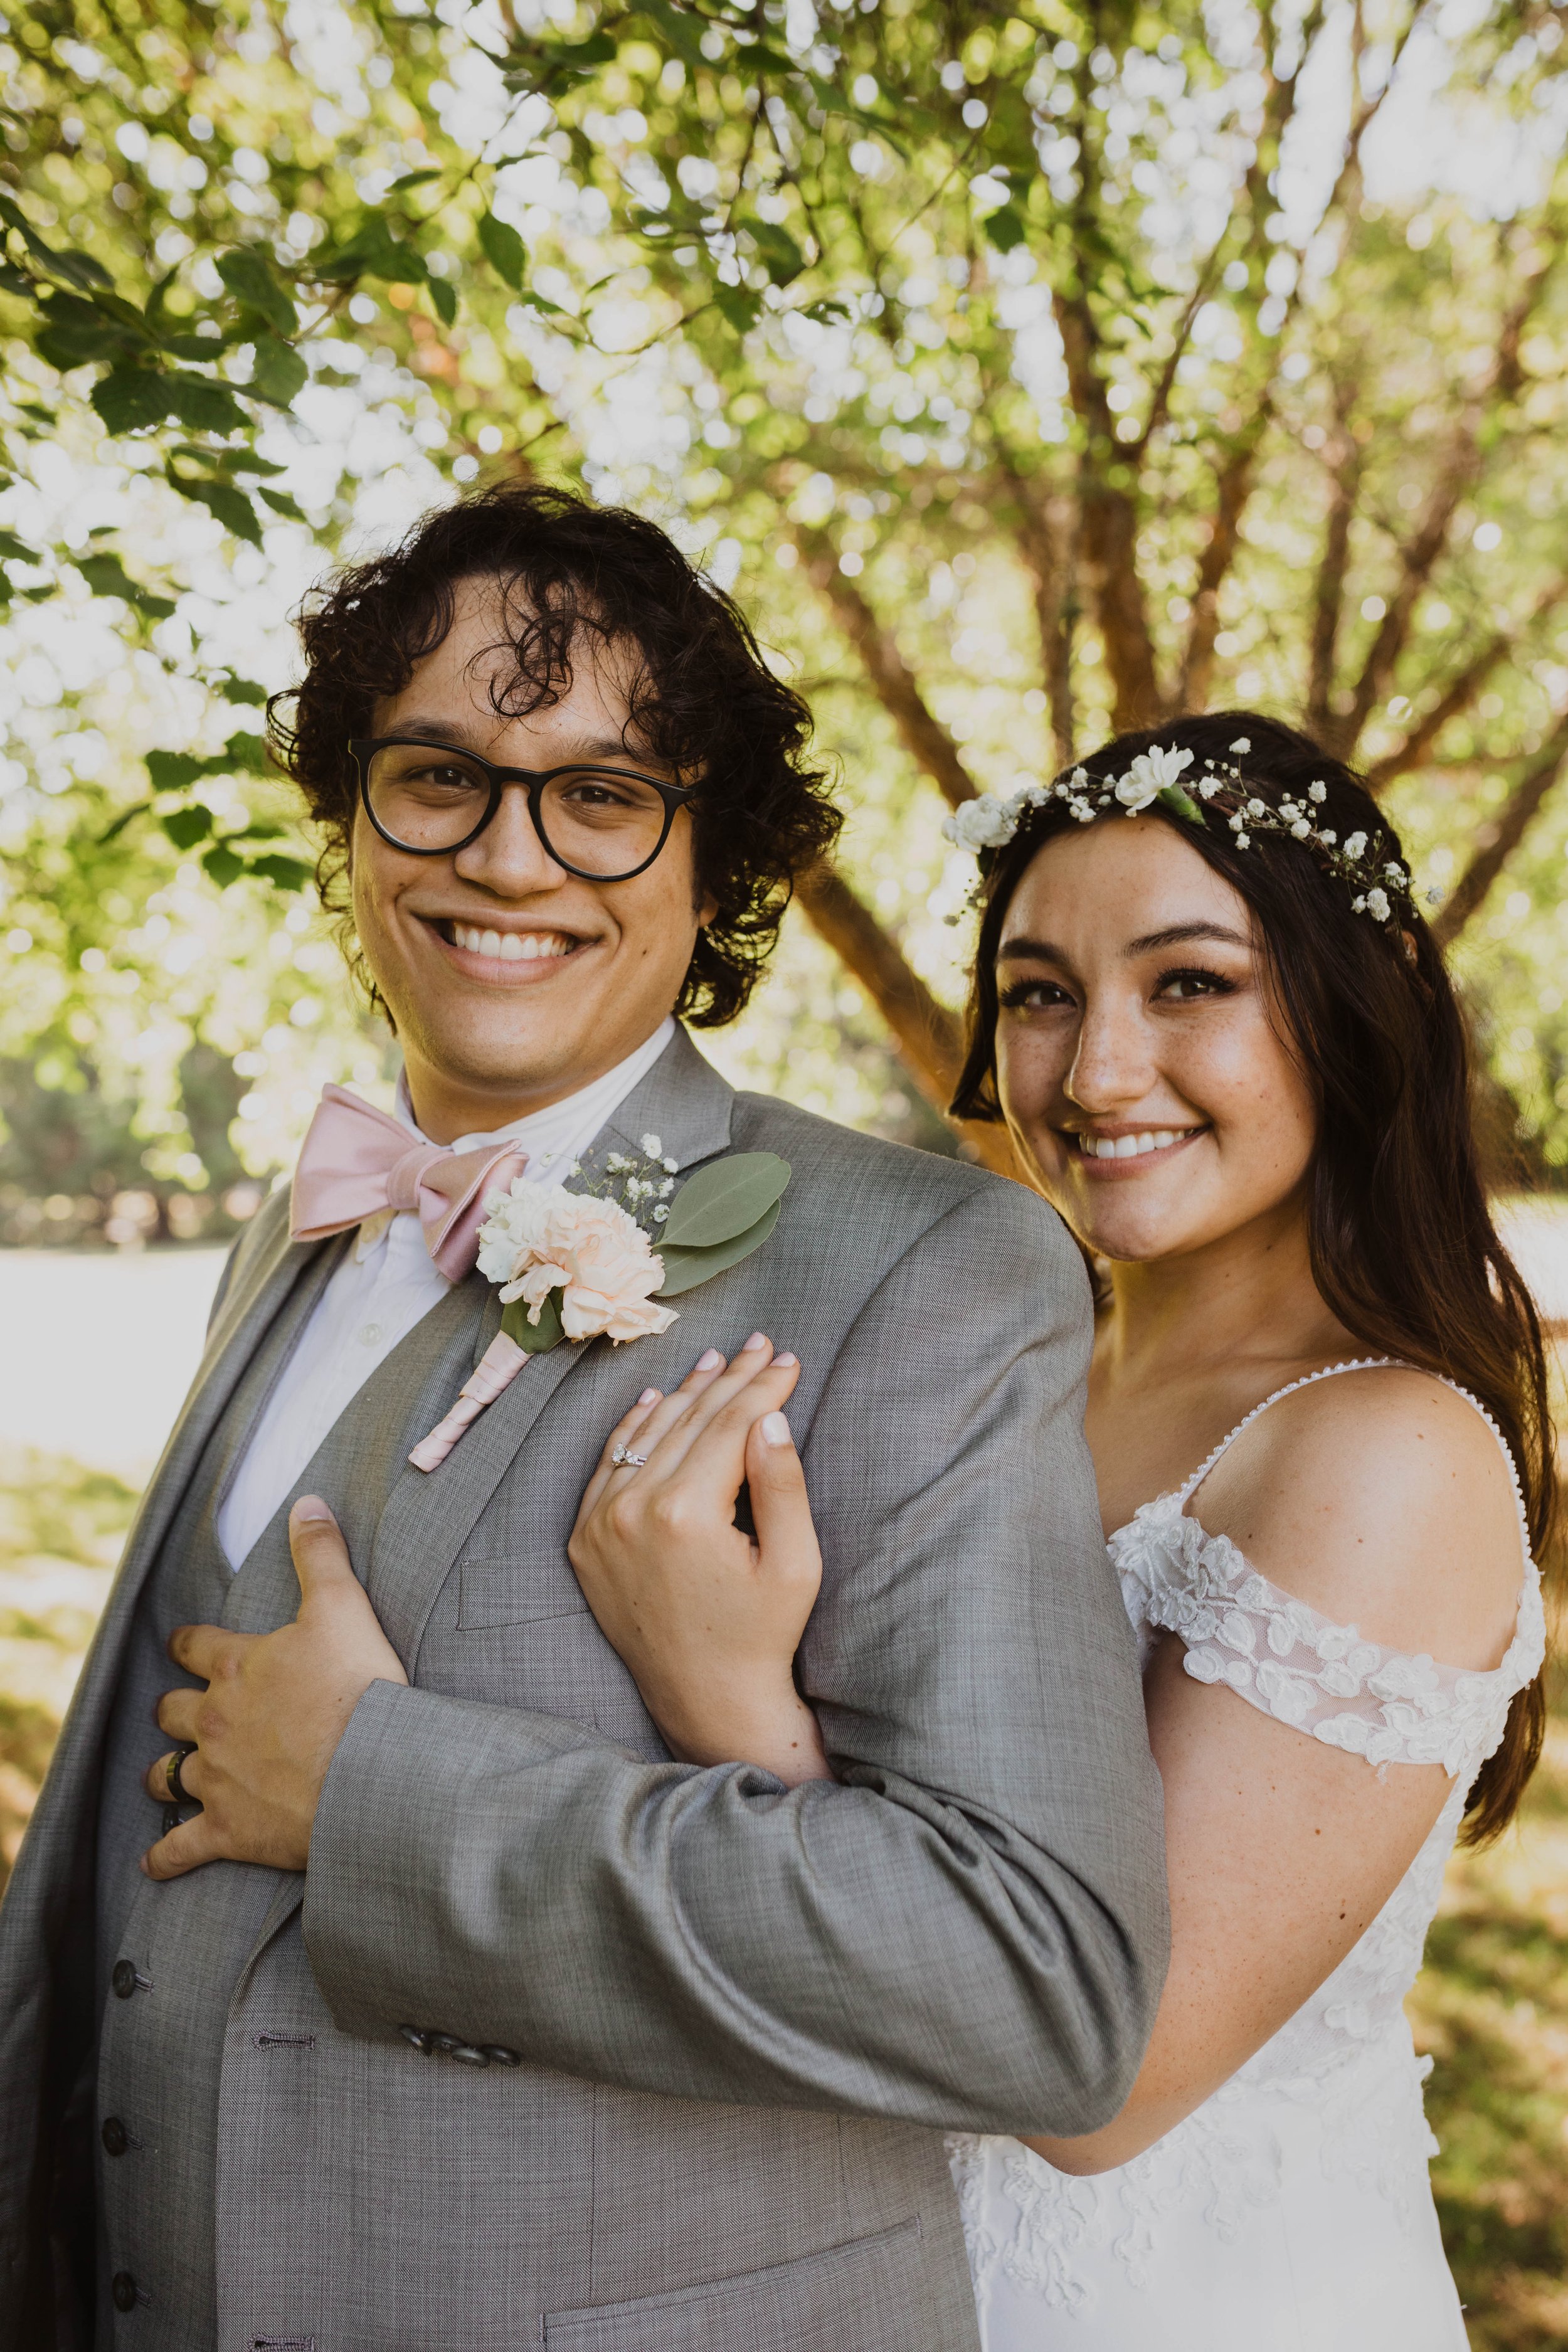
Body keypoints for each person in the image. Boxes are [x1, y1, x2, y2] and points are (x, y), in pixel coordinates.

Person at [0, 483, 1168, 2351]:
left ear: (715, 863)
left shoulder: (923, 1270)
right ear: (353, 814)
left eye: (603, 795)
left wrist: (369, 1792)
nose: (510, 856)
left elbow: (1030, 1990)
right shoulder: (298, 1223)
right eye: (439, 773)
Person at [563, 711, 1552, 2351]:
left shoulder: (1381, 1453)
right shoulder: (1011, 1379)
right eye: (1038, 994)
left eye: (1188, 984)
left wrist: (726, 1703)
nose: (1092, 1072)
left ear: (1346, 1008)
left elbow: (1098, 2075)